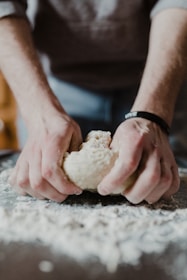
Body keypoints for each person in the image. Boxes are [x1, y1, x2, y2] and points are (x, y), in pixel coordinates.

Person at [0, 0, 187, 204]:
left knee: (158, 185)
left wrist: (153, 115)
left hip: (163, 78)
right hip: (50, 87)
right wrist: (40, 114)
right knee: (46, 179)